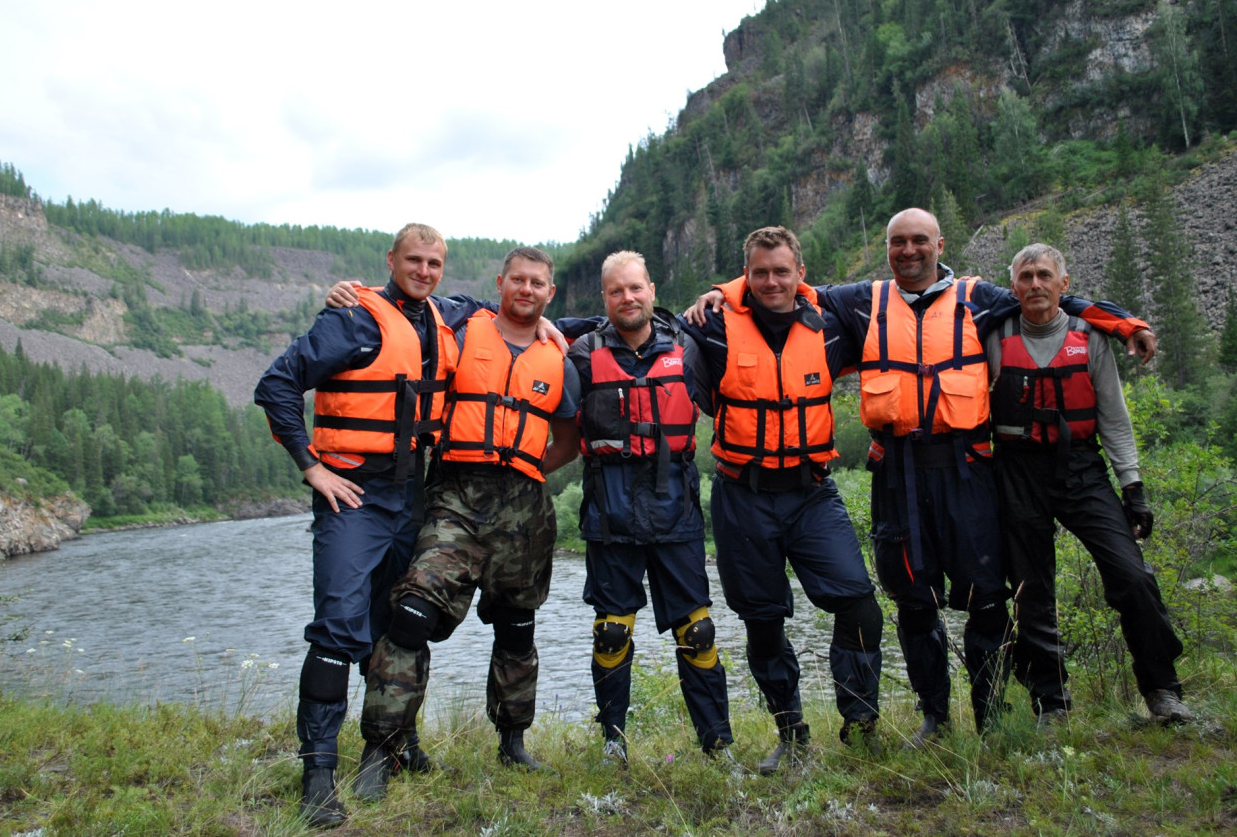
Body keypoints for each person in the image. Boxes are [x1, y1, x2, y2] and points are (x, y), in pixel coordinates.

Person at [689, 209, 1154, 747]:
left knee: (986, 596)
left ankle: (992, 716)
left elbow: (1047, 302)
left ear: (939, 243)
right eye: (897, 243)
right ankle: (933, 717)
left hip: (967, 470)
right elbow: (772, 282)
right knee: (912, 598)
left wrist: (1123, 324)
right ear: (887, 248)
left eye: (919, 241)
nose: (908, 251)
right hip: (896, 471)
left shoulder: (980, 298)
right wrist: (719, 291)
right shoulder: (859, 301)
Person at [254, 223, 490, 826]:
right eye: (414, 260)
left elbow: (515, 308)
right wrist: (312, 468)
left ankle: (391, 745)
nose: (425, 271)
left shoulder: (451, 315)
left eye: (435, 262)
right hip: (354, 495)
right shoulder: (354, 318)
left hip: (413, 496)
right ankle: (318, 774)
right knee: (338, 627)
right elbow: (277, 384)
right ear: (392, 260)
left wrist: (547, 324)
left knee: (402, 620)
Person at [353, 246, 579, 802]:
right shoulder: (459, 325)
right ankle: (383, 749)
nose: (526, 290)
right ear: (500, 282)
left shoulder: (560, 356)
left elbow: (570, 438)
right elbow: (406, 302)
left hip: (524, 507)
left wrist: (527, 464)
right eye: (517, 280)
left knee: (517, 629)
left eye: (538, 284)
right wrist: (351, 292)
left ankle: (513, 742)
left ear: (551, 293)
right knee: (410, 613)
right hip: (455, 495)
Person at [679, 226, 885, 772]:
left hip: (811, 493)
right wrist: (717, 291)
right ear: (747, 274)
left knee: (860, 603)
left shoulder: (834, 323)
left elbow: (908, 302)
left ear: (800, 273)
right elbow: (652, 327)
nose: (772, 281)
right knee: (764, 621)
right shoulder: (715, 324)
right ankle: (791, 734)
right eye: (760, 272)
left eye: (782, 271)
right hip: (741, 496)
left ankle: (861, 722)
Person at [988, 243, 1192, 728]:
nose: (1034, 285)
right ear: (1012, 286)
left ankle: (1162, 689)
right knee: (1030, 591)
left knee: (1133, 576)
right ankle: (1051, 704)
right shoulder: (993, 335)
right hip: (1016, 471)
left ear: (1065, 283)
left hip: (1080, 468)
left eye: (1043, 275)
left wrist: (1133, 488)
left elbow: (1115, 421)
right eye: (1025, 277)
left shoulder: (1091, 337)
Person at [544, 250, 733, 765]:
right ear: (604, 299)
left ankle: (718, 745)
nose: (627, 298)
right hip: (611, 515)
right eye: (616, 291)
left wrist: (720, 289)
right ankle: (613, 744)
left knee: (697, 631)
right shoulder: (580, 353)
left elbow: (762, 301)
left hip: (677, 512)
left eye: (635, 288)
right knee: (611, 631)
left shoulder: (689, 346)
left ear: (651, 289)